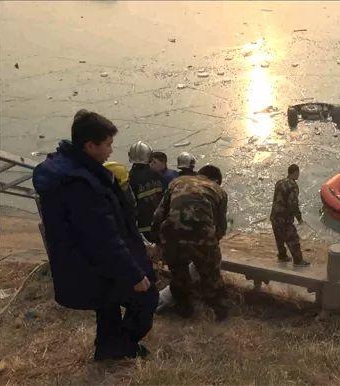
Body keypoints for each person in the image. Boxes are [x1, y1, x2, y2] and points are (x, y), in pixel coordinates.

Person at [32, 109, 157, 361]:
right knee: (146, 298)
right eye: (108, 144)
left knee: (107, 305)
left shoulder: (72, 168)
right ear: (90, 145)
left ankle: (108, 350)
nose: (111, 150)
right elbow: (102, 237)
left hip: (84, 261)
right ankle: (124, 346)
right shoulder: (81, 184)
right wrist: (133, 273)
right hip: (97, 262)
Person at [151, 165, 230, 321]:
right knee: (211, 276)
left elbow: (159, 214)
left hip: (172, 234)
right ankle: (220, 313)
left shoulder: (177, 182)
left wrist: (158, 240)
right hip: (203, 237)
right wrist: (213, 246)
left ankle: (184, 310)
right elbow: (221, 226)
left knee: (179, 275)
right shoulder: (218, 191)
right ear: (216, 180)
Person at [270, 164, 310, 267]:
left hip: (274, 216)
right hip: (284, 218)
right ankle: (298, 261)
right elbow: (293, 204)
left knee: (279, 237)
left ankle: (282, 256)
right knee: (293, 239)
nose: (298, 175)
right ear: (295, 172)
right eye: (298, 173)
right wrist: (299, 218)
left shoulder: (279, 182)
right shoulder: (293, 185)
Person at [128, 141, 164, 241]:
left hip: (142, 229)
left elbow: (129, 205)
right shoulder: (158, 175)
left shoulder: (129, 178)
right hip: (160, 225)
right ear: (150, 156)